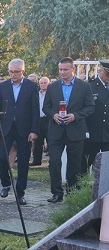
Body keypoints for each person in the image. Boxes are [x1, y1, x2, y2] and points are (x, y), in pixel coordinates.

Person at [43, 57, 95, 203]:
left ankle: (72, 192)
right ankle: (57, 193)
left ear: (73, 69)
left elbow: (90, 107)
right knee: (54, 162)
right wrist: (53, 115)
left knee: (74, 164)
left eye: (65, 70)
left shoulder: (84, 86)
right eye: (60, 69)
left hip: (75, 130)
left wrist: (75, 116)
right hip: (56, 130)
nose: (62, 72)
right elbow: (46, 107)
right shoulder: (52, 87)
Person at [0, 59, 39, 205]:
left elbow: (35, 109)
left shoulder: (31, 86)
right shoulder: (3, 86)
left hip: (24, 128)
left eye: (16, 72)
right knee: (1, 157)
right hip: (6, 127)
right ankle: (6, 183)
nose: (13, 74)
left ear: (22, 71)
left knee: (23, 161)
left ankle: (20, 193)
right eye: (11, 72)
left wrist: (34, 130)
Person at [81, 59, 109, 173]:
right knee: (85, 163)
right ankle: (81, 184)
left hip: (107, 133)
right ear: (100, 71)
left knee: (106, 167)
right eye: (107, 74)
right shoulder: (90, 86)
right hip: (93, 133)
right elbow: (84, 109)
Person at [31, 76, 50, 166]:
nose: (43, 84)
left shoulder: (51, 94)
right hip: (38, 119)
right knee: (38, 141)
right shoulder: (37, 94)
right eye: (41, 83)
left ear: (48, 84)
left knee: (50, 140)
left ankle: (51, 161)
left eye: (45, 83)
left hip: (48, 119)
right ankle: (36, 160)